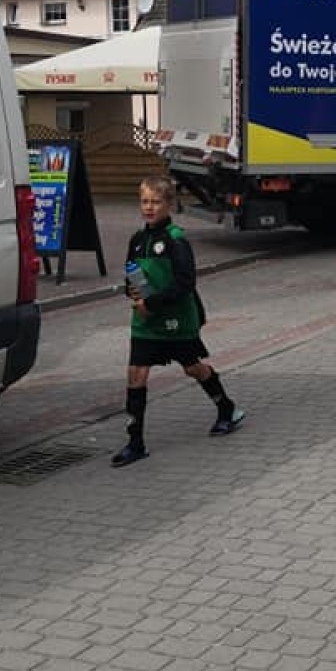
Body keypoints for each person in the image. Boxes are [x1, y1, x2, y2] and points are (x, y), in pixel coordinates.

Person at [113, 176, 243, 467]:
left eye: (156, 202)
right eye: (144, 201)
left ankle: (226, 407)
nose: (149, 208)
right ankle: (135, 442)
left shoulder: (175, 239)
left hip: (175, 320)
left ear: (169, 205)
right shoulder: (137, 240)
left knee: (193, 369)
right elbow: (131, 278)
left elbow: (185, 282)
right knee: (136, 374)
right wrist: (132, 292)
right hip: (145, 322)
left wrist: (152, 303)